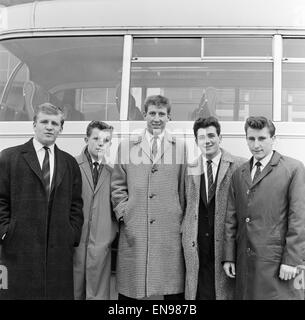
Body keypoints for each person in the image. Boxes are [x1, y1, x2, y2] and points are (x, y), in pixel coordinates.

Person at [0, 102, 83, 300]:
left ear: (61, 129)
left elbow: (76, 204)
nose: (49, 126)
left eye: (54, 123)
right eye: (44, 121)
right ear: (34, 124)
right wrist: (5, 232)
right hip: (18, 249)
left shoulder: (69, 163)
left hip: (58, 251)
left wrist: (71, 234)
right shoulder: (10, 157)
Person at [111, 95, 187, 299]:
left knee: (172, 291)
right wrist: (125, 214)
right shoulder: (126, 146)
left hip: (168, 229)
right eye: (152, 113)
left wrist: (178, 216)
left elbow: (183, 188)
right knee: (132, 291)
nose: (156, 118)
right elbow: (118, 185)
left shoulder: (180, 148)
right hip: (135, 225)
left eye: (162, 114)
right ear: (144, 114)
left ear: (169, 117)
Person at [223, 116, 305, 300]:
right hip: (244, 262)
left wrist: (292, 261)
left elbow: (299, 218)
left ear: (273, 139)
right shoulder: (239, 173)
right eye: (251, 139)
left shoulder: (293, 169)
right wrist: (229, 256)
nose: (256, 145)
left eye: (262, 139)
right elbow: (231, 218)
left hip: (277, 265)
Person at [182, 117, 245, 300]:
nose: (207, 141)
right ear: (196, 141)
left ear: (220, 137)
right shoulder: (190, 169)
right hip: (197, 249)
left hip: (225, 248)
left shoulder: (240, 166)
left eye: (211, 135)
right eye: (201, 137)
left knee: (225, 294)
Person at [73, 121, 118, 300]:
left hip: (101, 243)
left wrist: (109, 234)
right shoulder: (72, 166)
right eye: (96, 138)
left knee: (98, 292)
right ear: (86, 139)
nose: (101, 143)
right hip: (75, 242)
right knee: (73, 289)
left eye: (106, 140)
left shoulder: (112, 172)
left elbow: (116, 206)